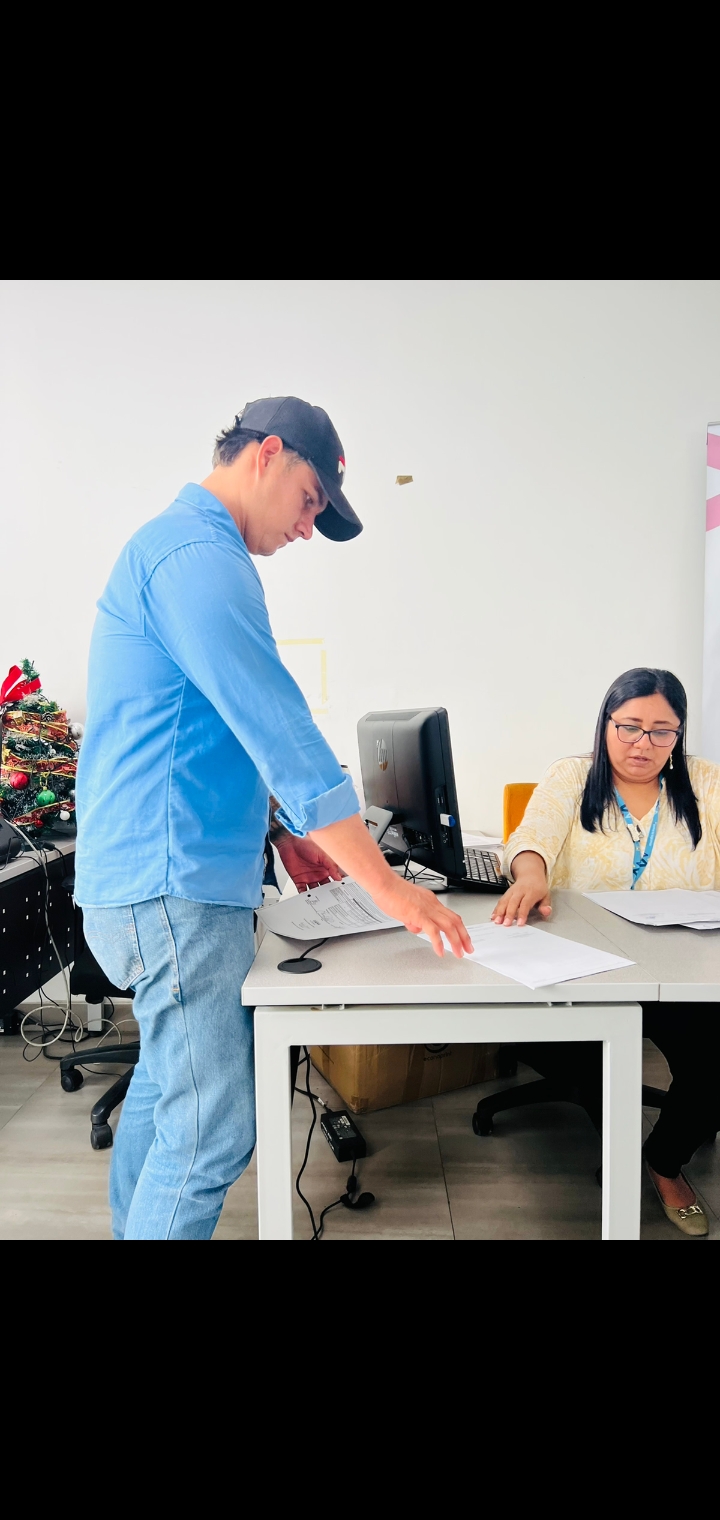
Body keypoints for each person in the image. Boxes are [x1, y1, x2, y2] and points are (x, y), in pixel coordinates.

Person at [75, 396, 472, 1240]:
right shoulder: (196, 557)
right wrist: (390, 889)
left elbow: (200, 733)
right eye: (310, 499)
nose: (307, 527)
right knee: (211, 1133)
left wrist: (285, 832)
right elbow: (280, 733)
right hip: (174, 889)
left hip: (154, 879)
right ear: (267, 454)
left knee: (168, 1093)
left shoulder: (183, 550)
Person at [492, 666, 720, 1237]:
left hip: (681, 966)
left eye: (662, 731)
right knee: (582, 1059)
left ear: (679, 733)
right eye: (630, 727)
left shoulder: (704, 782)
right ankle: (619, 1154)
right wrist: (531, 874)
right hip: (583, 965)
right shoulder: (573, 775)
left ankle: (663, 1161)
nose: (643, 744)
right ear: (606, 723)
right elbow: (532, 837)